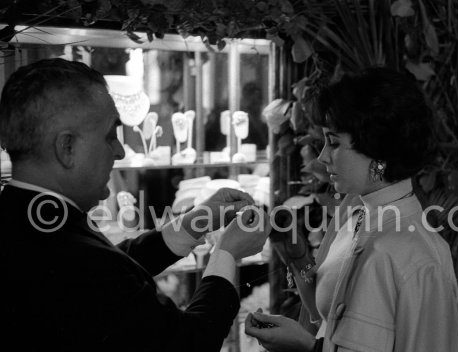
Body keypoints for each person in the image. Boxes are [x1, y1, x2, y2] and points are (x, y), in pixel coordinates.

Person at [0, 58, 269, 351]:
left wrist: (194, 223)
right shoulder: (70, 251)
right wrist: (227, 252)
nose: (118, 151)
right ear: (67, 148)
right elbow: (189, 344)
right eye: (110, 135)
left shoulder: (23, 216)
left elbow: (105, 277)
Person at [245, 68, 458, 351]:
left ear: (376, 149)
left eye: (333, 143)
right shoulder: (354, 213)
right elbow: (331, 317)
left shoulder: (419, 259)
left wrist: (306, 346)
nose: (322, 156)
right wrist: (296, 257)